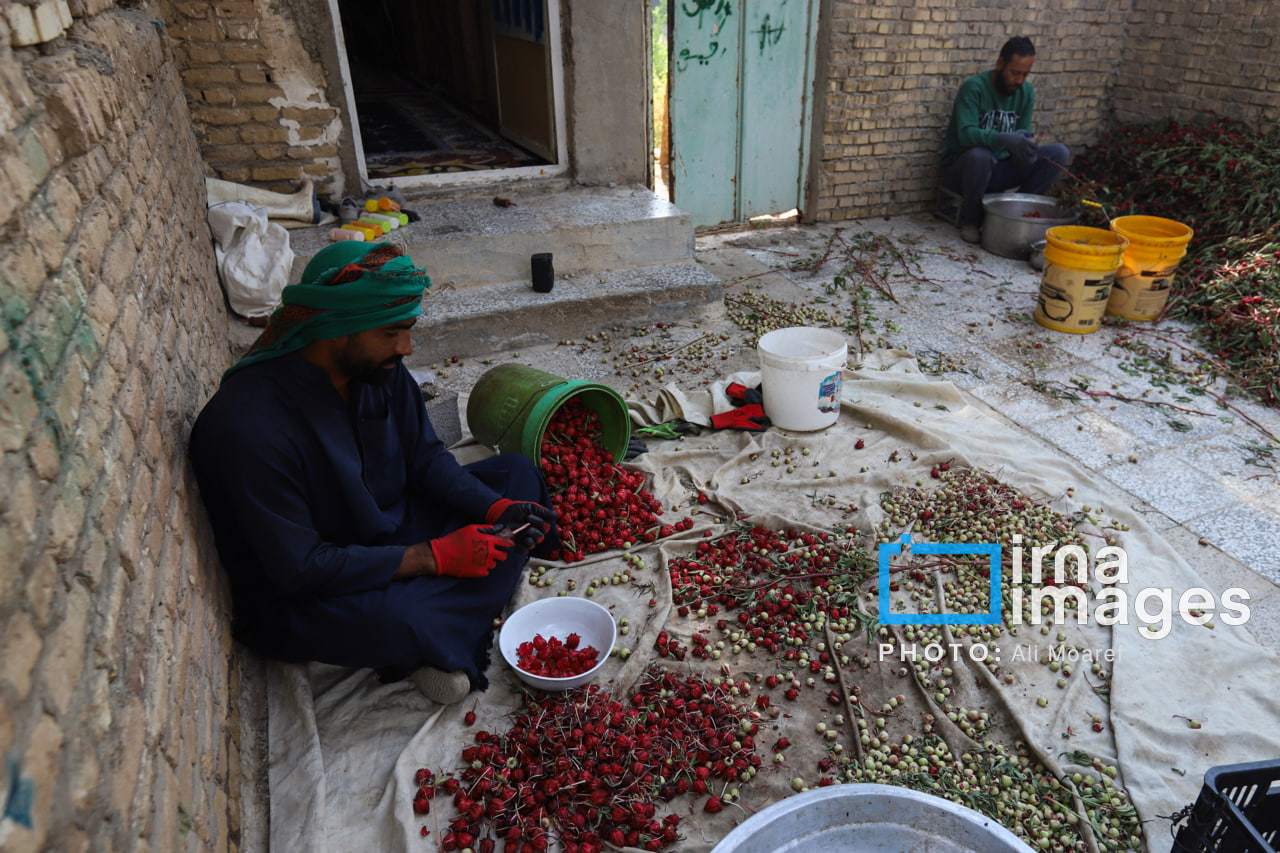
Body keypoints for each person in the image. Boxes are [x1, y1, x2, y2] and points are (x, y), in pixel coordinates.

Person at [189, 241, 558, 705]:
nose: (405, 347)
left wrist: (494, 507)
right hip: (320, 578)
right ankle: (440, 631)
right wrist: (435, 557)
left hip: (394, 526)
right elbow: (298, 569)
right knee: (400, 621)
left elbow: (426, 461)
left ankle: (448, 621)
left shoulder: (380, 372)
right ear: (335, 328)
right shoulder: (246, 428)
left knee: (516, 477)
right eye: (391, 333)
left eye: (407, 330)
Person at [942, 36, 1071, 244]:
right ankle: (970, 221)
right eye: (1014, 73)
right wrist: (1002, 138)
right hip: (965, 172)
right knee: (980, 155)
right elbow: (965, 135)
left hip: (1000, 170)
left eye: (1025, 74)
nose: (1019, 80)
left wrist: (1024, 148)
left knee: (1059, 153)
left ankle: (1017, 215)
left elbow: (1022, 132)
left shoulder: (1026, 92)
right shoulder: (974, 88)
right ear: (1000, 64)